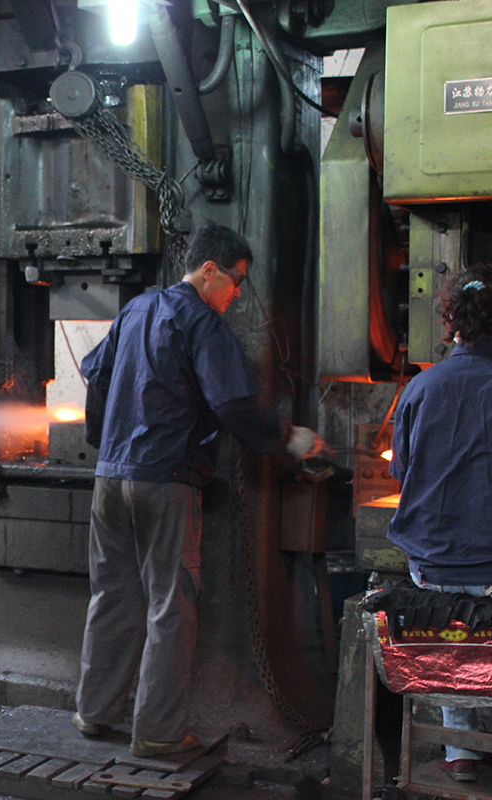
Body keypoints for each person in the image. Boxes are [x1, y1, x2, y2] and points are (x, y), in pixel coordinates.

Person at [73, 223, 328, 758]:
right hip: (164, 480)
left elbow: (94, 371)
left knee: (113, 597)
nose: (238, 295)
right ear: (209, 270)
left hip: (110, 479)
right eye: (236, 280)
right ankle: (157, 733)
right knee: (171, 605)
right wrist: (287, 436)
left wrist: (104, 441)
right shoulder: (202, 322)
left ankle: (93, 712)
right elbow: (232, 403)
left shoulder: (137, 308)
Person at [387, 266, 492, 784]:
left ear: (449, 321)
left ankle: (460, 752)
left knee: (453, 614)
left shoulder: (419, 388)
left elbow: (403, 472)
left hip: (431, 573)